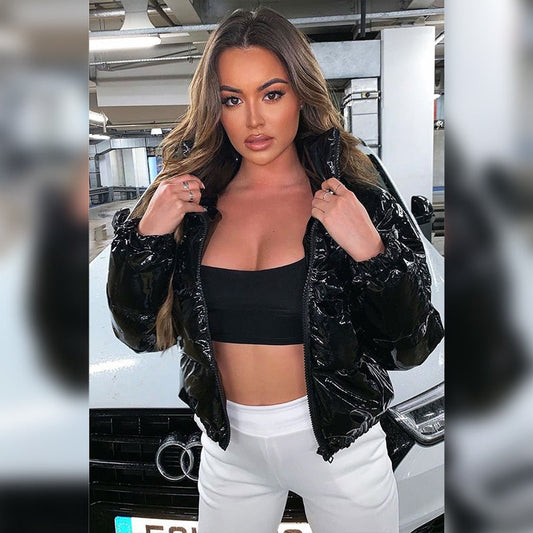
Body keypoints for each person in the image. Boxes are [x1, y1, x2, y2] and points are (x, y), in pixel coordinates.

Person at [107, 7, 444, 533]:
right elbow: (138, 334)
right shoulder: (189, 206)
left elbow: (412, 346)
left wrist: (372, 253)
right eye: (232, 100)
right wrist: (146, 238)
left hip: (340, 451)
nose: (253, 121)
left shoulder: (357, 202)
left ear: (301, 95)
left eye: (271, 94)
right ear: (215, 108)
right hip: (229, 453)